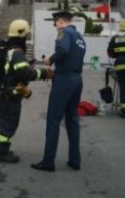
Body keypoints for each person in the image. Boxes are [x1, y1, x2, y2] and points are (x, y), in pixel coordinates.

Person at [32, 10, 86, 172]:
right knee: (72, 120)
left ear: (61, 21)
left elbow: (62, 50)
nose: (55, 26)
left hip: (64, 80)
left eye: (56, 23)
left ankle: (48, 161)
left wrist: (50, 60)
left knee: (54, 120)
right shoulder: (79, 37)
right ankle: (75, 160)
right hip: (77, 80)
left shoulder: (64, 33)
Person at [0, 19, 52, 163]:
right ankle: (2, 153)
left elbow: (14, 71)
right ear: (21, 35)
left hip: (4, 93)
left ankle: (2, 149)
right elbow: (26, 74)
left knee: (3, 123)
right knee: (9, 124)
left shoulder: (9, 49)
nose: (26, 37)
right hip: (9, 96)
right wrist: (45, 73)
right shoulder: (17, 52)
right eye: (26, 35)